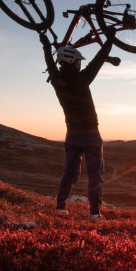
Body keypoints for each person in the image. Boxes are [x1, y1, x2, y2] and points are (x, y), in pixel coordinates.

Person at [39, 32, 114, 219]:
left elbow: (49, 62)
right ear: (74, 62)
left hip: (72, 135)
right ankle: (95, 214)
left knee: (70, 172)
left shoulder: (56, 80)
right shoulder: (82, 79)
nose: (81, 65)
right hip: (90, 136)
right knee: (95, 175)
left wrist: (46, 44)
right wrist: (111, 37)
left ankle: (60, 207)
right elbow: (98, 59)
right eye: (78, 62)